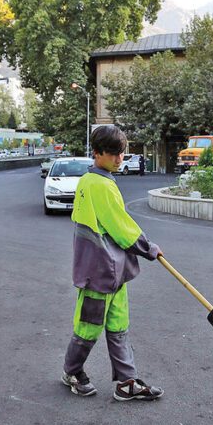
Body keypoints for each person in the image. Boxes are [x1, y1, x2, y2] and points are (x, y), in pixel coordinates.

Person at [62, 124, 163, 401]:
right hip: (98, 271)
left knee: (119, 325)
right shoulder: (99, 185)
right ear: (97, 153)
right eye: (113, 153)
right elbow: (120, 227)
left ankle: (126, 382)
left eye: (122, 153)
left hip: (114, 271)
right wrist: (148, 248)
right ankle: (71, 371)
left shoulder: (93, 180)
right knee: (89, 326)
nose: (120, 159)